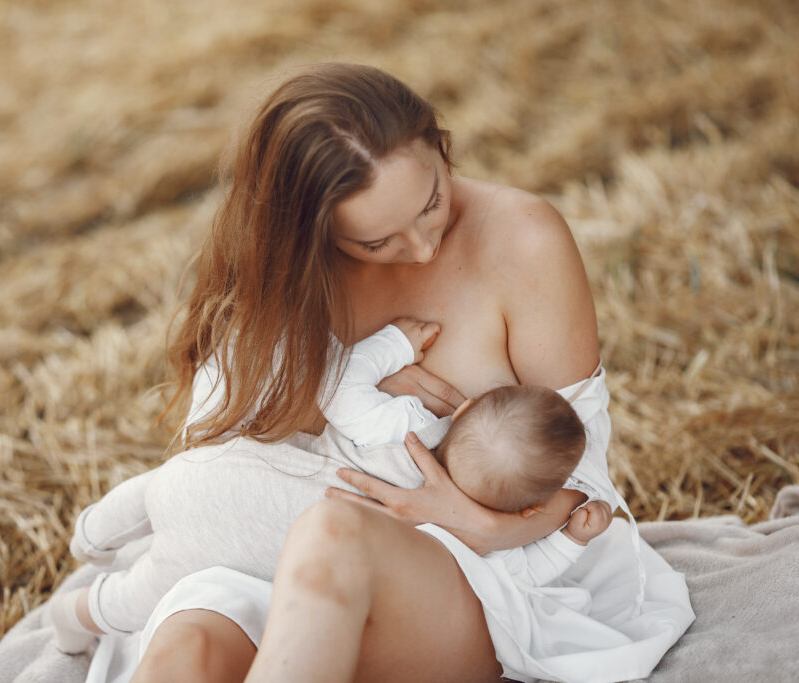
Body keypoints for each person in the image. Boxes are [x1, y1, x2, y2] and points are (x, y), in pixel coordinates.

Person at [125, 62, 693, 683]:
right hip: (268, 561)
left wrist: (482, 525)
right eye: (375, 243)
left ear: (439, 145)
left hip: (477, 577)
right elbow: (219, 450)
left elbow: (582, 469)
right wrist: (344, 383)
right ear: (307, 230)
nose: (424, 249)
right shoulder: (283, 276)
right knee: (187, 651)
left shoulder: (523, 240)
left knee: (334, 534)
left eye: (433, 203)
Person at [48, 318, 611, 654]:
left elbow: (339, 384)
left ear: (463, 407)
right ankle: (75, 616)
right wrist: (571, 539)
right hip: (230, 559)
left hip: (212, 476)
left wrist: (395, 342)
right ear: (531, 504)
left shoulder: (405, 429)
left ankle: (88, 540)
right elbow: (520, 576)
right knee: (134, 597)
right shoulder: (453, 541)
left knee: (145, 496)